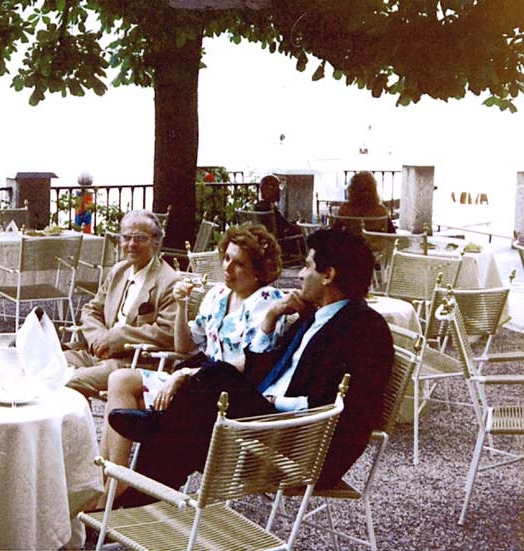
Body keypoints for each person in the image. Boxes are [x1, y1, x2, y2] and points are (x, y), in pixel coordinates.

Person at [108, 228, 393, 508]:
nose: (302, 275)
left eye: (307, 266)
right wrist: (272, 316)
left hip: (302, 444)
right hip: (270, 424)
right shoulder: (315, 317)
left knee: (199, 402)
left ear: (328, 275)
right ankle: (138, 500)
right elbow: (262, 364)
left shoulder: (364, 329)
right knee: (195, 409)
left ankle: (137, 492)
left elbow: (342, 407)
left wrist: (272, 401)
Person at [98, 224, 288, 490]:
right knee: (119, 379)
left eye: (239, 264)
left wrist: (183, 375)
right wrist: (182, 305)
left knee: (137, 396)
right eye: (227, 258)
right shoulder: (219, 294)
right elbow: (184, 346)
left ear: (258, 272)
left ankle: (115, 490)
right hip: (196, 379)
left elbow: (254, 363)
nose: (227, 268)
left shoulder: (267, 302)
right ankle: (112, 481)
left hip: (222, 395)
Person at [63, 209, 178, 398]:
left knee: (65, 380)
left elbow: (167, 333)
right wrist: (99, 338)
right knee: (39, 365)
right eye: (126, 238)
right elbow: (91, 309)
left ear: (156, 242)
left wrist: (117, 337)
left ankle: (79, 427)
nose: (131, 244)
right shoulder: (119, 271)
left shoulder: (168, 281)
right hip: (97, 352)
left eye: (140, 238)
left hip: (131, 363)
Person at [253, 174, 303, 239]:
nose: (279, 190)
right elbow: (287, 227)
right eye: (275, 186)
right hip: (278, 244)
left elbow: (283, 223)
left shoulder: (258, 206)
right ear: (266, 189)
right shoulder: (268, 208)